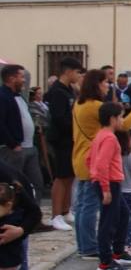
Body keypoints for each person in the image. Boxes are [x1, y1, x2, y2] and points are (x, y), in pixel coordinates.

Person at [72, 70, 131, 259]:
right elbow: (123, 125)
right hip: (96, 159)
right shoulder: (95, 106)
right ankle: (90, 248)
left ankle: (83, 244)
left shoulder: (78, 104)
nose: (108, 85)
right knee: (91, 207)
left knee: (82, 206)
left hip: (81, 155)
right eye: (105, 82)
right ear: (96, 84)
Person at [87, 102, 131, 270]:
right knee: (109, 221)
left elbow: (89, 158)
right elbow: (101, 164)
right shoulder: (109, 138)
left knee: (123, 213)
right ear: (112, 119)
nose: (122, 120)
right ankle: (105, 262)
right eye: (120, 117)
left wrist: (94, 176)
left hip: (106, 181)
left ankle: (117, 251)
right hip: (109, 183)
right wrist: (105, 188)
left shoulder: (100, 135)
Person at [0, 162, 42, 270]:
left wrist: (20, 231)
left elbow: (34, 212)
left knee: (15, 258)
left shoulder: (6, 174)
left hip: (12, 228)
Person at [1, 65, 46, 212]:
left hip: (29, 146)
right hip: (14, 148)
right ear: (11, 78)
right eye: (21, 76)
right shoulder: (3, 96)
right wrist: (13, 143)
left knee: (37, 183)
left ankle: (34, 215)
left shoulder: (20, 97)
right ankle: (15, 216)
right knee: (14, 184)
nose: (24, 80)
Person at [45, 57, 81, 231]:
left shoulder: (69, 90)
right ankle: (56, 215)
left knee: (70, 176)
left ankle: (66, 210)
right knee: (61, 177)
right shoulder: (57, 91)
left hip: (71, 139)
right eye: (77, 72)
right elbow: (60, 118)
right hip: (62, 139)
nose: (78, 75)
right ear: (68, 71)